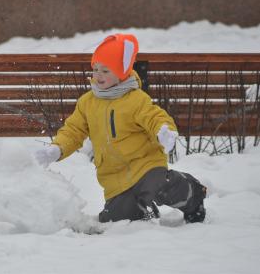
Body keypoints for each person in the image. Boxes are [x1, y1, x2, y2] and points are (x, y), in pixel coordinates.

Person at [34, 34, 207, 223]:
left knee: (156, 185)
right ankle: (142, 210)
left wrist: (163, 131)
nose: (98, 75)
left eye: (106, 71)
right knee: (116, 219)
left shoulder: (135, 99)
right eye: (96, 69)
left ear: (121, 73)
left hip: (145, 165)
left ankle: (192, 193)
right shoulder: (87, 103)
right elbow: (73, 130)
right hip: (114, 177)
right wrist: (58, 148)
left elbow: (153, 117)